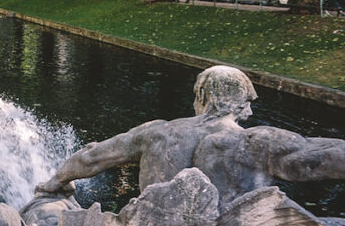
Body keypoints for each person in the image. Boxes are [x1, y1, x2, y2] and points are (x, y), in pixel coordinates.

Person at [36, 66, 345, 206]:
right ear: (237, 101)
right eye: (248, 102)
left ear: (202, 96)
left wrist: (56, 182)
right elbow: (317, 157)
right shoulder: (254, 142)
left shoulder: (154, 133)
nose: (250, 112)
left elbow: (91, 157)